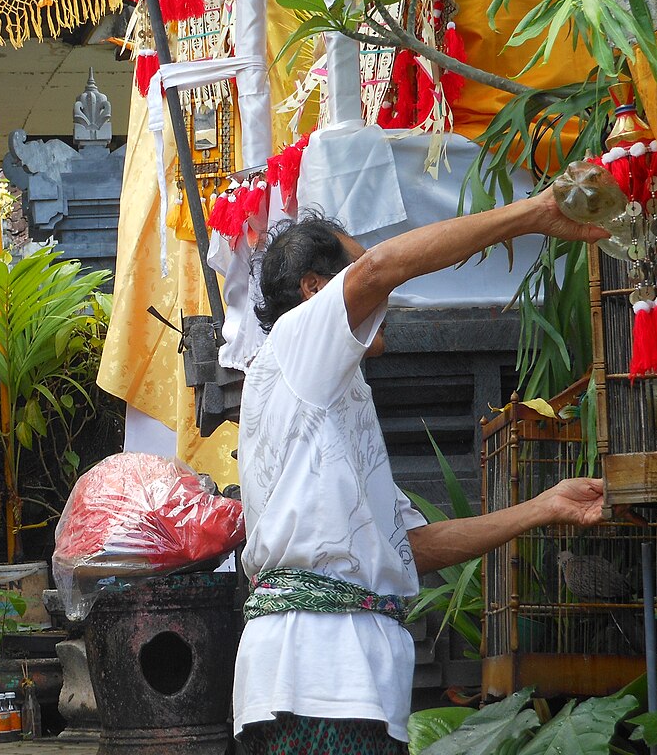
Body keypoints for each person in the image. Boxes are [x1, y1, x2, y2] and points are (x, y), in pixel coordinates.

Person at [233, 187, 610, 755]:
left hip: (340, 676)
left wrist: (546, 506)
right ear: (317, 289)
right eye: (362, 274)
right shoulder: (297, 340)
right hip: (312, 671)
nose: (387, 295)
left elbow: (412, 546)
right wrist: (532, 213)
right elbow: (387, 265)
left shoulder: (328, 389)